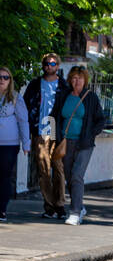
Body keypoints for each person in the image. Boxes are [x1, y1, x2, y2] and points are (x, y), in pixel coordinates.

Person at [54, 66, 106, 226]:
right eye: (74, 78)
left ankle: (75, 213)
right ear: (70, 80)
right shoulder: (63, 96)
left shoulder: (91, 98)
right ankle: (80, 207)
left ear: (85, 80)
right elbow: (53, 116)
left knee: (77, 175)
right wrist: (52, 137)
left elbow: (101, 120)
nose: (77, 81)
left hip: (84, 144)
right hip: (65, 143)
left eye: (80, 78)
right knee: (69, 177)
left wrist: (90, 134)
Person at [22, 52, 70, 219]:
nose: (50, 66)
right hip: (40, 130)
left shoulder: (64, 86)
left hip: (57, 130)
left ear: (58, 66)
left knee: (58, 168)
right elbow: (26, 105)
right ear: (43, 66)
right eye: (48, 64)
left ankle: (60, 204)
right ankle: (49, 205)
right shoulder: (35, 84)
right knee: (43, 170)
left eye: (53, 64)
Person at [0, 65, 30, 222]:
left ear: (10, 80)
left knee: (4, 176)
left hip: (9, 145)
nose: (2, 80)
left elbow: (23, 121)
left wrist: (26, 144)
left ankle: (2, 209)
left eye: (6, 77)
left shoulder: (16, 97)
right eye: (0, 77)